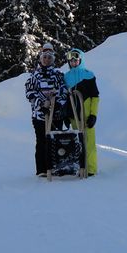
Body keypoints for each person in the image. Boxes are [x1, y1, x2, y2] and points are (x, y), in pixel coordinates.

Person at [25, 43, 68, 176]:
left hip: (56, 114)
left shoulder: (58, 75)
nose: (47, 60)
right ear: (40, 58)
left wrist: (59, 104)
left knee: (55, 140)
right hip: (40, 115)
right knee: (42, 141)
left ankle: (56, 167)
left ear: (53, 59)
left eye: (49, 57)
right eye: (44, 57)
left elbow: (64, 91)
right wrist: (41, 104)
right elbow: (29, 93)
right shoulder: (35, 76)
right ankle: (42, 169)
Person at [64, 48, 99, 177]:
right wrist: (66, 115)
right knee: (77, 143)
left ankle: (91, 169)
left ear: (81, 60)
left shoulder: (89, 75)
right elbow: (66, 98)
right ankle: (79, 167)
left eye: (76, 60)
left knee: (89, 143)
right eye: (71, 61)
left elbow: (95, 97)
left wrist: (93, 115)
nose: (73, 63)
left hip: (86, 116)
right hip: (74, 116)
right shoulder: (66, 77)